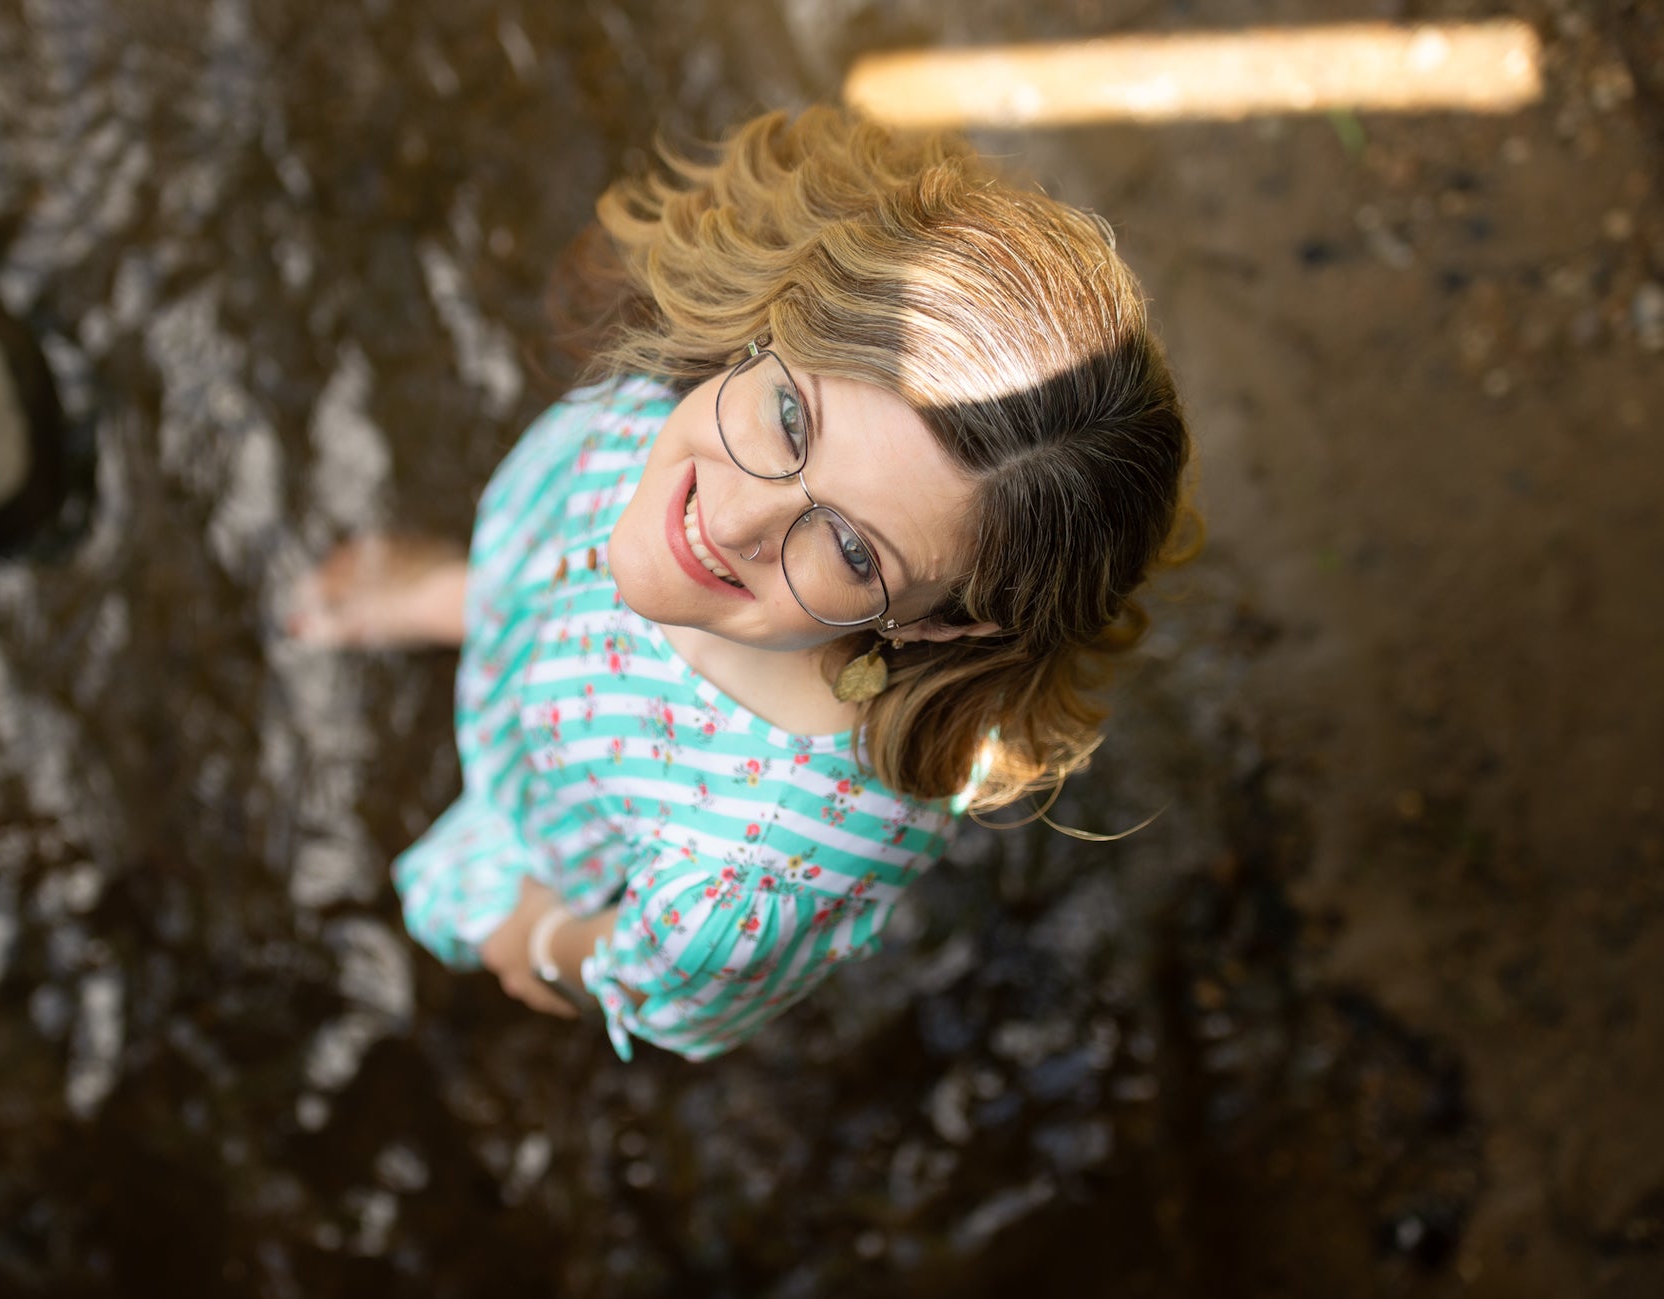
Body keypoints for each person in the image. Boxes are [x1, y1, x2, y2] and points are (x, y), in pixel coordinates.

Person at [289, 107, 1193, 1061]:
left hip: (564, 836)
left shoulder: (758, 867)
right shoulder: (693, 403)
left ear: (938, 628)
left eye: (851, 550)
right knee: (536, 585)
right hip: (553, 627)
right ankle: (473, 602)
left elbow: (647, 972)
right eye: (792, 420)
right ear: (781, 324)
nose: (728, 519)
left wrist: (542, 939)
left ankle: (475, 642)